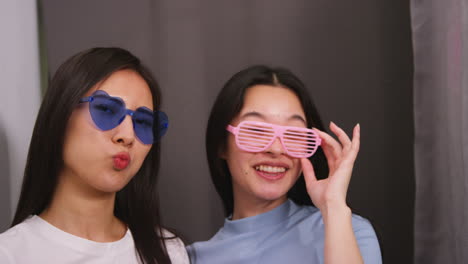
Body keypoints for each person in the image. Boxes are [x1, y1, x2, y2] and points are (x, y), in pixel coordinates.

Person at [0, 47, 189, 264]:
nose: (128, 136)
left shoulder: (169, 252)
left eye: (144, 122)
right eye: (107, 110)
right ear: (60, 115)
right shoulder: (10, 255)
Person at [187, 65, 381, 263]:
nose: (277, 149)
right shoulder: (192, 258)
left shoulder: (347, 230)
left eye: (294, 133)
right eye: (256, 130)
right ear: (221, 144)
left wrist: (334, 207)